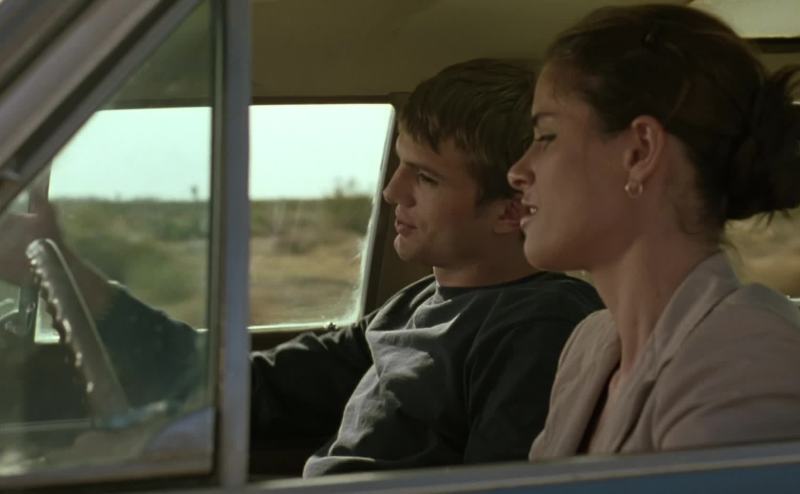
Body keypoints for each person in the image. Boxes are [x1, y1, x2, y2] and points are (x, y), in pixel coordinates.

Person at [0, 59, 602, 475]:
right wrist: (83, 284)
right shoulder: (417, 304)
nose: (392, 192)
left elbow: (500, 487)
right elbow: (254, 387)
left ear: (509, 209)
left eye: (425, 177)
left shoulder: (542, 327)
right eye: (399, 165)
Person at [506, 4, 800, 460]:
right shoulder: (590, 344)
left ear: (639, 152)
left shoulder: (746, 357)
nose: (517, 171)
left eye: (546, 136)